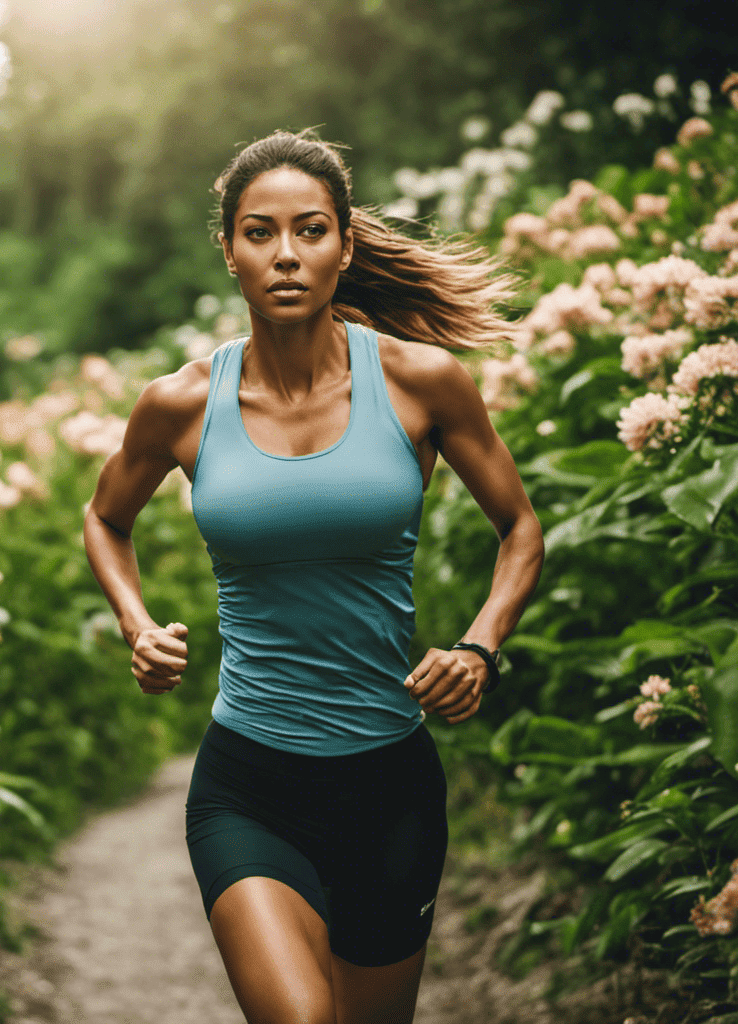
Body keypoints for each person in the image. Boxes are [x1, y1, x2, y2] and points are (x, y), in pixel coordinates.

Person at [83, 128, 544, 1024]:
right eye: (259, 233)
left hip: (391, 788)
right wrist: (135, 623)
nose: (286, 255)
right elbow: (106, 518)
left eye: (310, 230)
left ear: (346, 245)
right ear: (229, 252)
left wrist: (481, 648)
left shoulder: (422, 384)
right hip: (248, 784)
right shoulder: (181, 402)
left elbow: (520, 528)